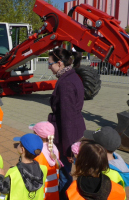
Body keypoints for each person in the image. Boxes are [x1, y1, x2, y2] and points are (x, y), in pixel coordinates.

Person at [47, 48, 85, 198]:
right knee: (67, 172)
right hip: (72, 130)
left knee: (65, 173)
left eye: (50, 64)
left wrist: (68, 149)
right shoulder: (71, 76)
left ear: (60, 63)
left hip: (67, 135)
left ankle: (65, 196)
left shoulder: (66, 84)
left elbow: (67, 118)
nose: (49, 66)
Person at [0, 133, 47, 200]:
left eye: (19, 144)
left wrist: (0, 176)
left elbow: (3, 189)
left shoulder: (13, 173)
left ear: (22, 150)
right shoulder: (43, 169)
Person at [32, 121, 62, 200]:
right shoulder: (54, 148)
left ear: (37, 135)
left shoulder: (38, 153)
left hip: (41, 190)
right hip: (53, 188)